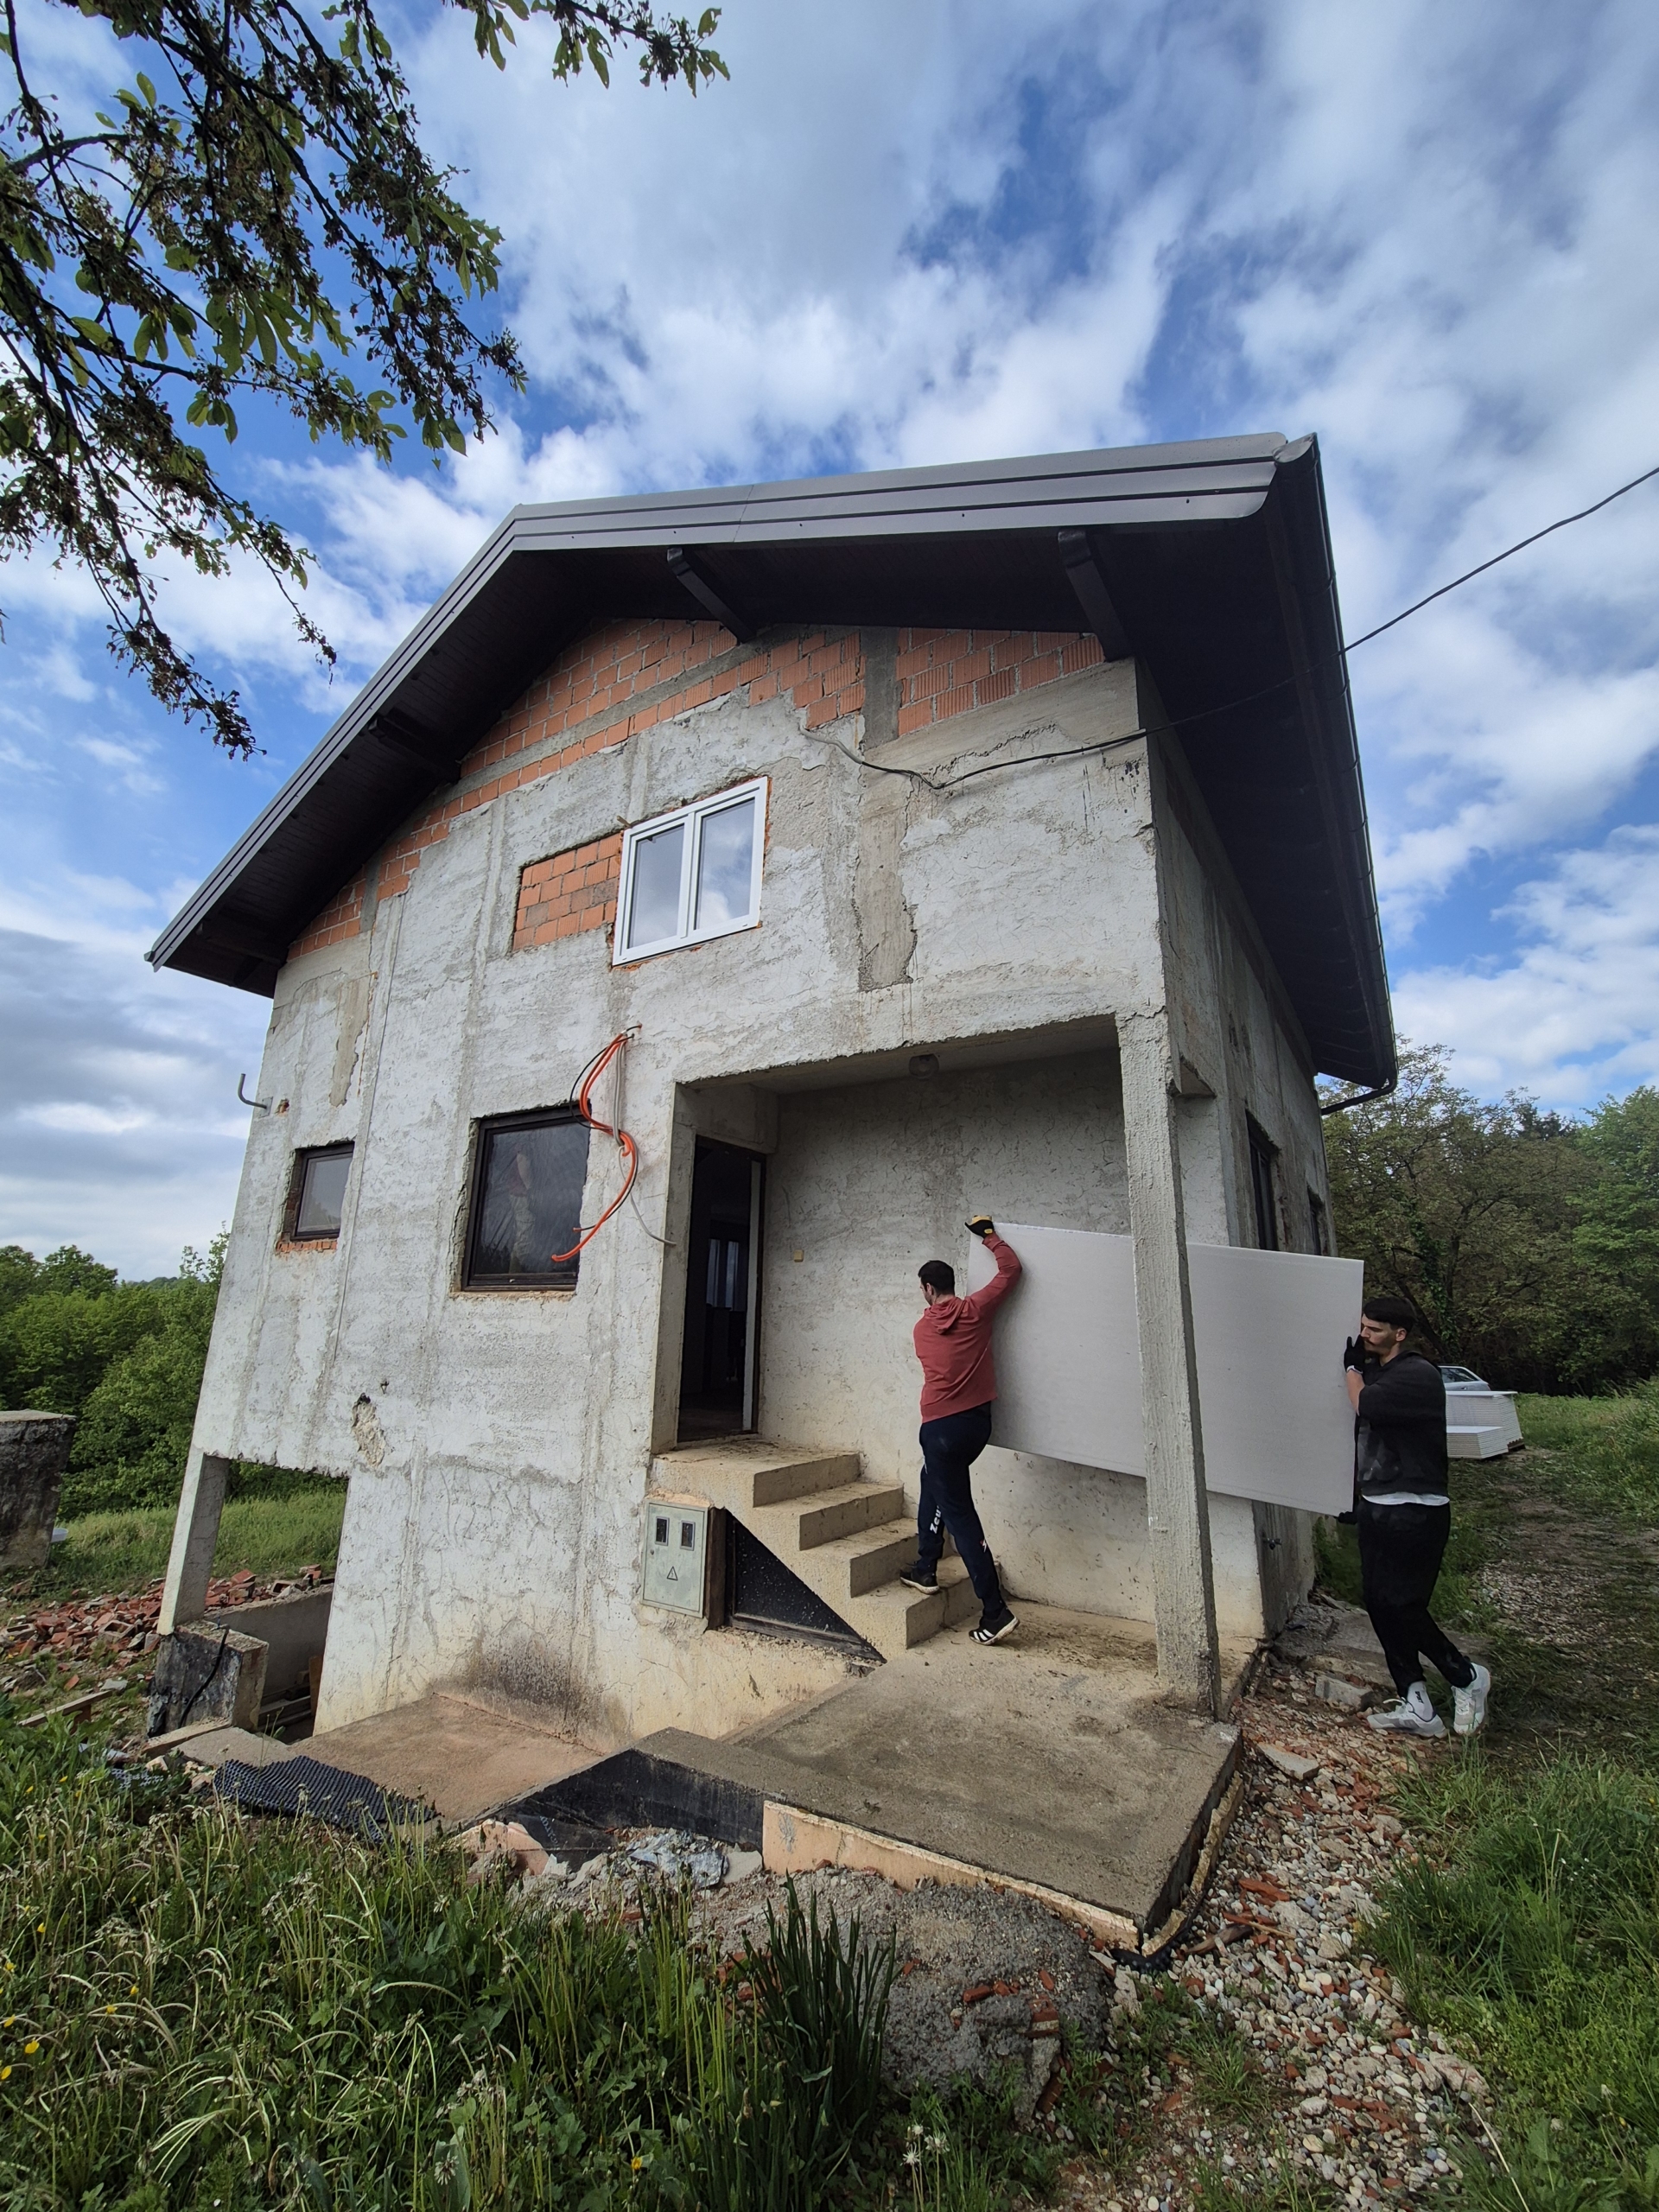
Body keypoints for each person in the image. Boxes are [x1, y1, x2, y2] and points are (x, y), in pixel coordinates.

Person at [1344, 1294, 1491, 1737]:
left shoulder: (1417, 1374)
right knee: (1379, 1604)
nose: (1365, 1335)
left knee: (1404, 1606)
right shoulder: (1379, 1372)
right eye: (1363, 1326)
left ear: (1400, 1334)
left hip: (1417, 1509)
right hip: (1378, 1504)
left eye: (1374, 1330)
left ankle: (1466, 1676)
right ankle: (1416, 1702)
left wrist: (1351, 1370)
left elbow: (1366, 1405)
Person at [898, 1215, 1021, 1646]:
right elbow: (1011, 1270)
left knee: (961, 1515)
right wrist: (989, 1236)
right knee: (934, 1479)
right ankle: (925, 1567)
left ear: (928, 1289)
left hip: (939, 1428)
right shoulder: (976, 1309)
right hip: (976, 1427)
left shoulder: (921, 1329)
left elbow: (936, 1335)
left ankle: (995, 1610)